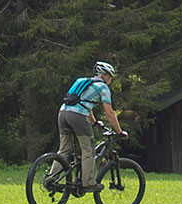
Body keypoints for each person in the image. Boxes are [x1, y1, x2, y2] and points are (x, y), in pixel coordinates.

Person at [51, 61, 128, 192]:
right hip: (78, 116)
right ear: (106, 76)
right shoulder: (103, 88)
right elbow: (109, 113)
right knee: (88, 150)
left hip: (63, 113)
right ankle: (88, 183)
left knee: (64, 150)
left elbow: (83, 103)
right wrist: (119, 131)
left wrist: (94, 122)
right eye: (110, 77)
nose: (110, 80)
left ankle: (51, 178)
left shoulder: (81, 81)